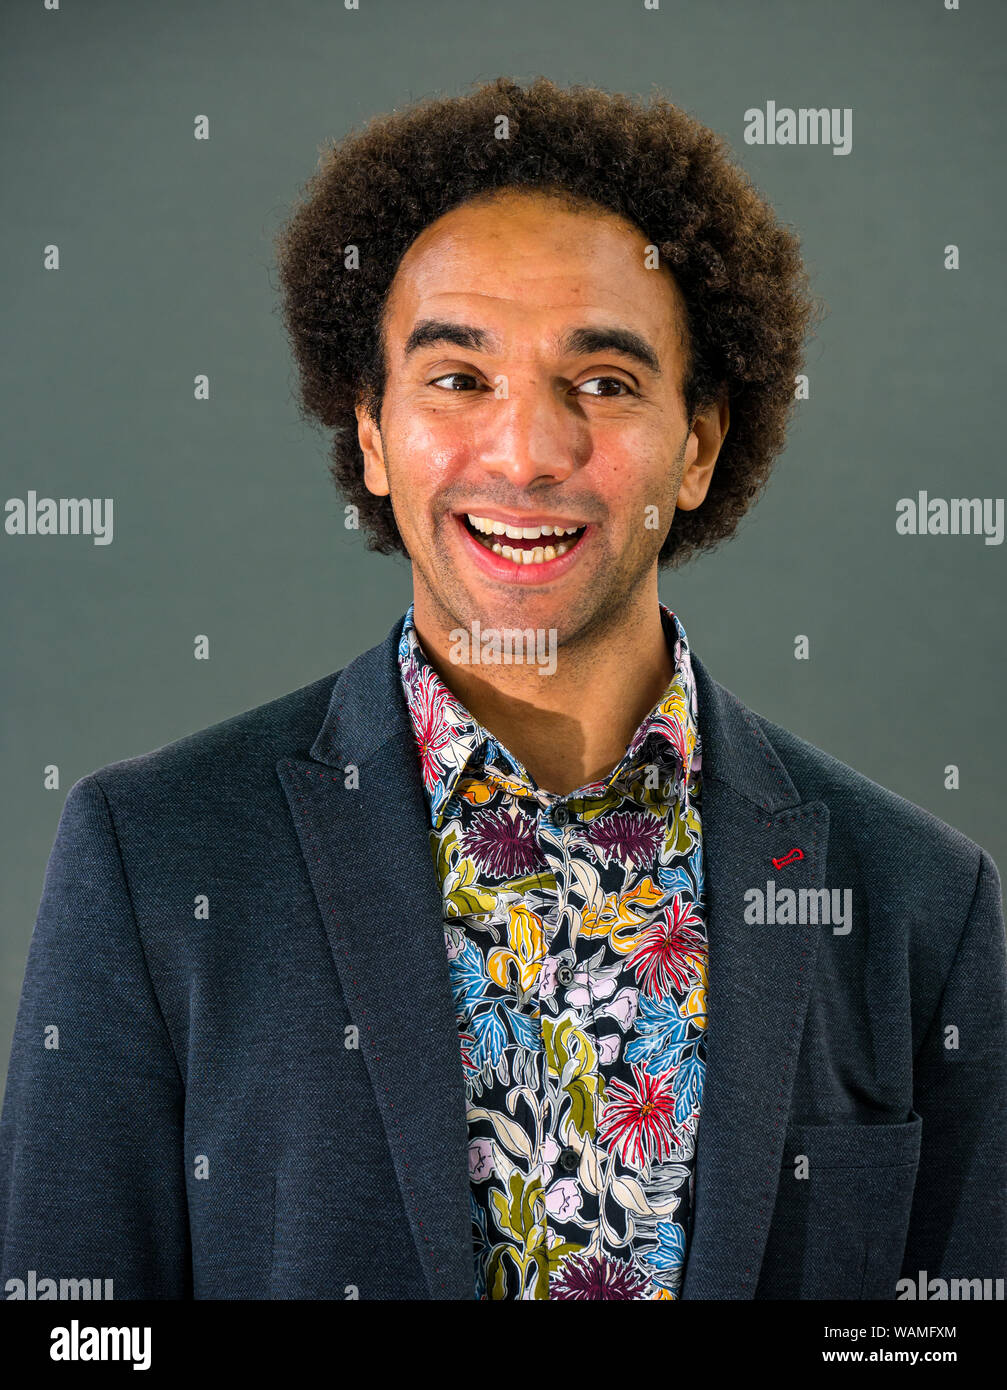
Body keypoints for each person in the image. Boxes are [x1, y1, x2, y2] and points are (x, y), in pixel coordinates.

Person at [1, 77, 1003, 1302]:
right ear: (369, 432)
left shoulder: (913, 903)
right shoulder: (153, 859)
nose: (527, 452)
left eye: (602, 380)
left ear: (696, 445)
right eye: (458, 379)